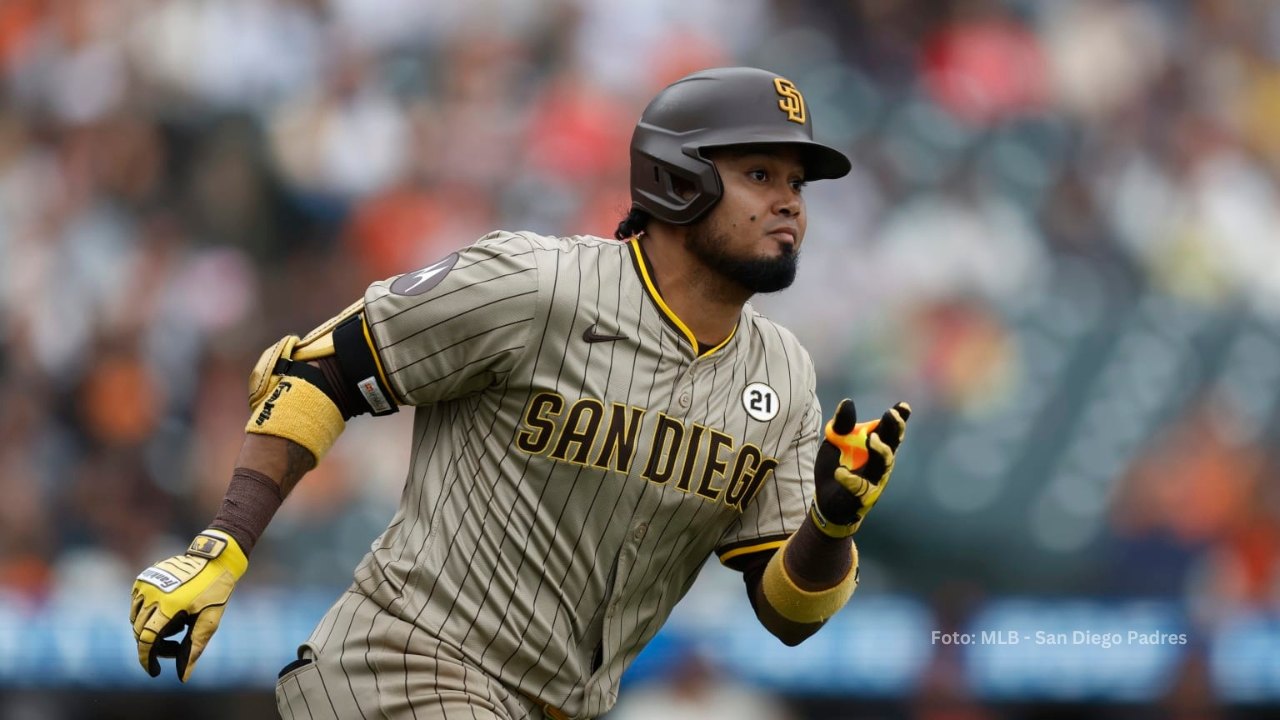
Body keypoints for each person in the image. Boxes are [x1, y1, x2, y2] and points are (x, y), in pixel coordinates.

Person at [129, 66, 911, 720]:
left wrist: (832, 521)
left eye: (797, 183)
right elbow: (321, 368)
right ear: (679, 179)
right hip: (399, 671)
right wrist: (222, 546)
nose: (790, 203)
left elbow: (789, 612)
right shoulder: (539, 285)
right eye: (760, 174)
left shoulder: (782, 376)